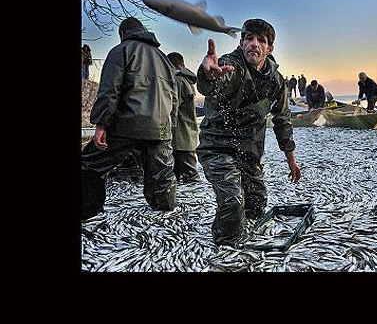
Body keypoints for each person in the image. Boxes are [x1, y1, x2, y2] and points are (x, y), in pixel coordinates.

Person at [196, 18, 301, 247]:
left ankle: (241, 231)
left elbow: (283, 120)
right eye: (249, 38)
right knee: (233, 201)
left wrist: (291, 160)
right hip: (217, 147)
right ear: (242, 42)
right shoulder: (229, 65)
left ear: (269, 48)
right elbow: (214, 82)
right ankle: (226, 247)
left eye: (261, 40)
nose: (254, 44)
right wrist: (208, 75)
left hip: (248, 150)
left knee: (256, 205)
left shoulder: (276, 80)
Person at [81, 17, 179, 220]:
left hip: (126, 125)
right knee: (162, 175)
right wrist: (170, 127)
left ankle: (88, 212)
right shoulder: (164, 59)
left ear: (122, 34)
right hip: (160, 128)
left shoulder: (121, 50)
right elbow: (174, 99)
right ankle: (165, 213)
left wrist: (101, 123)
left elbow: (110, 91)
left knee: (89, 163)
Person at [167, 52, 200, 183]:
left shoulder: (178, 81)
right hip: (186, 135)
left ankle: (194, 202)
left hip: (180, 138)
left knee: (191, 177)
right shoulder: (186, 81)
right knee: (176, 175)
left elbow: (172, 108)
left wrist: (167, 129)